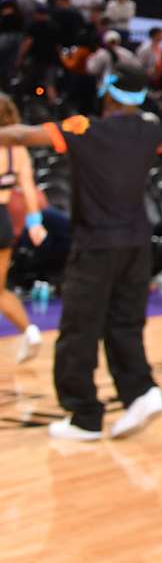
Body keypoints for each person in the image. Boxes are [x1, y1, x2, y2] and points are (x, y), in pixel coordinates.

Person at [0, 65, 162, 440]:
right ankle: (141, 391)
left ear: (108, 90)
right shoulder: (151, 129)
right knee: (124, 324)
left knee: (79, 328)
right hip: (137, 244)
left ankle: (84, 416)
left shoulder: (83, 127)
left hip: (96, 245)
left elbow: (24, 135)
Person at [0, 92, 49, 363]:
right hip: (3, 222)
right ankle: (30, 331)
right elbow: (29, 189)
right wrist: (35, 223)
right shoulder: (17, 151)